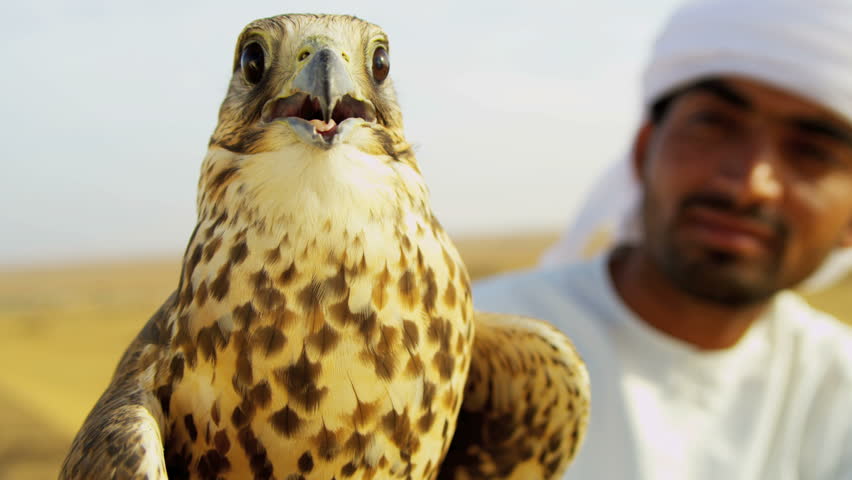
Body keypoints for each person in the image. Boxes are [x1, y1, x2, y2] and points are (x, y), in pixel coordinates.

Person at [473, 1, 852, 478]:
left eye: (811, 152)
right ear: (644, 151)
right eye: (714, 125)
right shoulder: (468, 349)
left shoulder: (839, 393)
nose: (750, 183)